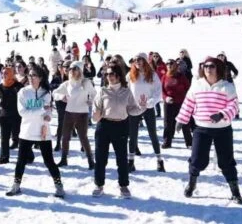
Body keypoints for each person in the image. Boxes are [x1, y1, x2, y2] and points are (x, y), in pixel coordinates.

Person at [176, 56, 242, 204]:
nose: (208, 69)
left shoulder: (227, 86)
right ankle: (191, 184)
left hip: (223, 129)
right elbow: (189, 103)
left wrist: (222, 114)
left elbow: (234, 106)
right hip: (201, 128)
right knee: (197, 159)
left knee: (226, 161)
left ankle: (235, 191)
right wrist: (181, 120)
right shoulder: (197, 85)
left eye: (211, 66)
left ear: (218, 68)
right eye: (205, 66)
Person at [5, 67, 64, 198]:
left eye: (34, 75)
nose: (31, 78)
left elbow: (48, 110)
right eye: (29, 75)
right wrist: (41, 110)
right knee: (21, 161)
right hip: (26, 131)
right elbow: (22, 113)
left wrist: (48, 115)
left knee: (49, 161)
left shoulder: (46, 93)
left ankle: (59, 186)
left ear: (41, 78)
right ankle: (16, 185)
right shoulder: (23, 92)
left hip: (43, 131)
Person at [91, 64, 145, 198]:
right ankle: (99, 185)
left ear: (118, 76)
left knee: (121, 158)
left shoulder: (126, 92)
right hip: (104, 126)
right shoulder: (103, 91)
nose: (109, 77)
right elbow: (95, 113)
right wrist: (95, 115)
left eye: (112, 74)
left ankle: (124, 186)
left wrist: (142, 107)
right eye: (107, 74)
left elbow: (132, 109)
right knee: (100, 158)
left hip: (121, 126)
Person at [52, 61, 96, 169]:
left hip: (82, 114)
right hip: (69, 113)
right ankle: (64, 159)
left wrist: (90, 100)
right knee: (65, 137)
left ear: (80, 70)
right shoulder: (67, 83)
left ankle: (91, 160)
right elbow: (54, 93)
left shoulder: (86, 82)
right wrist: (61, 97)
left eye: (74, 69)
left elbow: (94, 93)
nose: (71, 71)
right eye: (70, 69)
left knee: (83, 137)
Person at [127, 53, 165, 172]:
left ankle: (159, 161)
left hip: (148, 108)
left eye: (139, 59)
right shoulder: (130, 75)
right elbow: (126, 90)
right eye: (135, 60)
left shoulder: (152, 75)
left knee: (152, 135)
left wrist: (149, 102)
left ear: (144, 60)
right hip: (134, 108)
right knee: (132, 135)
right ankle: (131, 162)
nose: (137, 62)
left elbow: (158, 92)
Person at [0, 66, 23, 164]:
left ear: (11, 74)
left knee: (20, 137)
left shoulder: (18, 86)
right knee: (4, 138)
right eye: (3, 73)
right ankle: (4, 157)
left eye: (6, 73)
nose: (4, 75)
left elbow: (25, 98)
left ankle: (28, 155)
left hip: (17, 116)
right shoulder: (1, 86)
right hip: (4, 116)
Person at [161, 59, 192, 148]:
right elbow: (162, 91)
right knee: (168, 123)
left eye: (171, 63)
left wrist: (184, 97)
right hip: (168, 103)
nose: (169, 65)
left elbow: (188, 88)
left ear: (175, 65)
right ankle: (167, 142)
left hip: (181, 103)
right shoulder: (164, 77)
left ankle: (189, 142)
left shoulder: (181, 76)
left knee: (184, 122)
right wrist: (166, 98)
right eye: (167, 64)